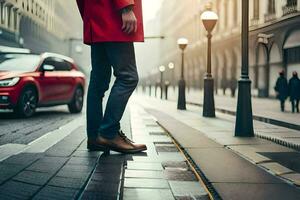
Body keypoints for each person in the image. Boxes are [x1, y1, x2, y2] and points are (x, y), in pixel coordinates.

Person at [76, 0, 147, 153]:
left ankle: (95, 137)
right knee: (128, 77)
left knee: (98, 81)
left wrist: (90, 15)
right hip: (113, 16)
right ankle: (109, 133)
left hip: (96, 15)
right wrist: (126, 7)